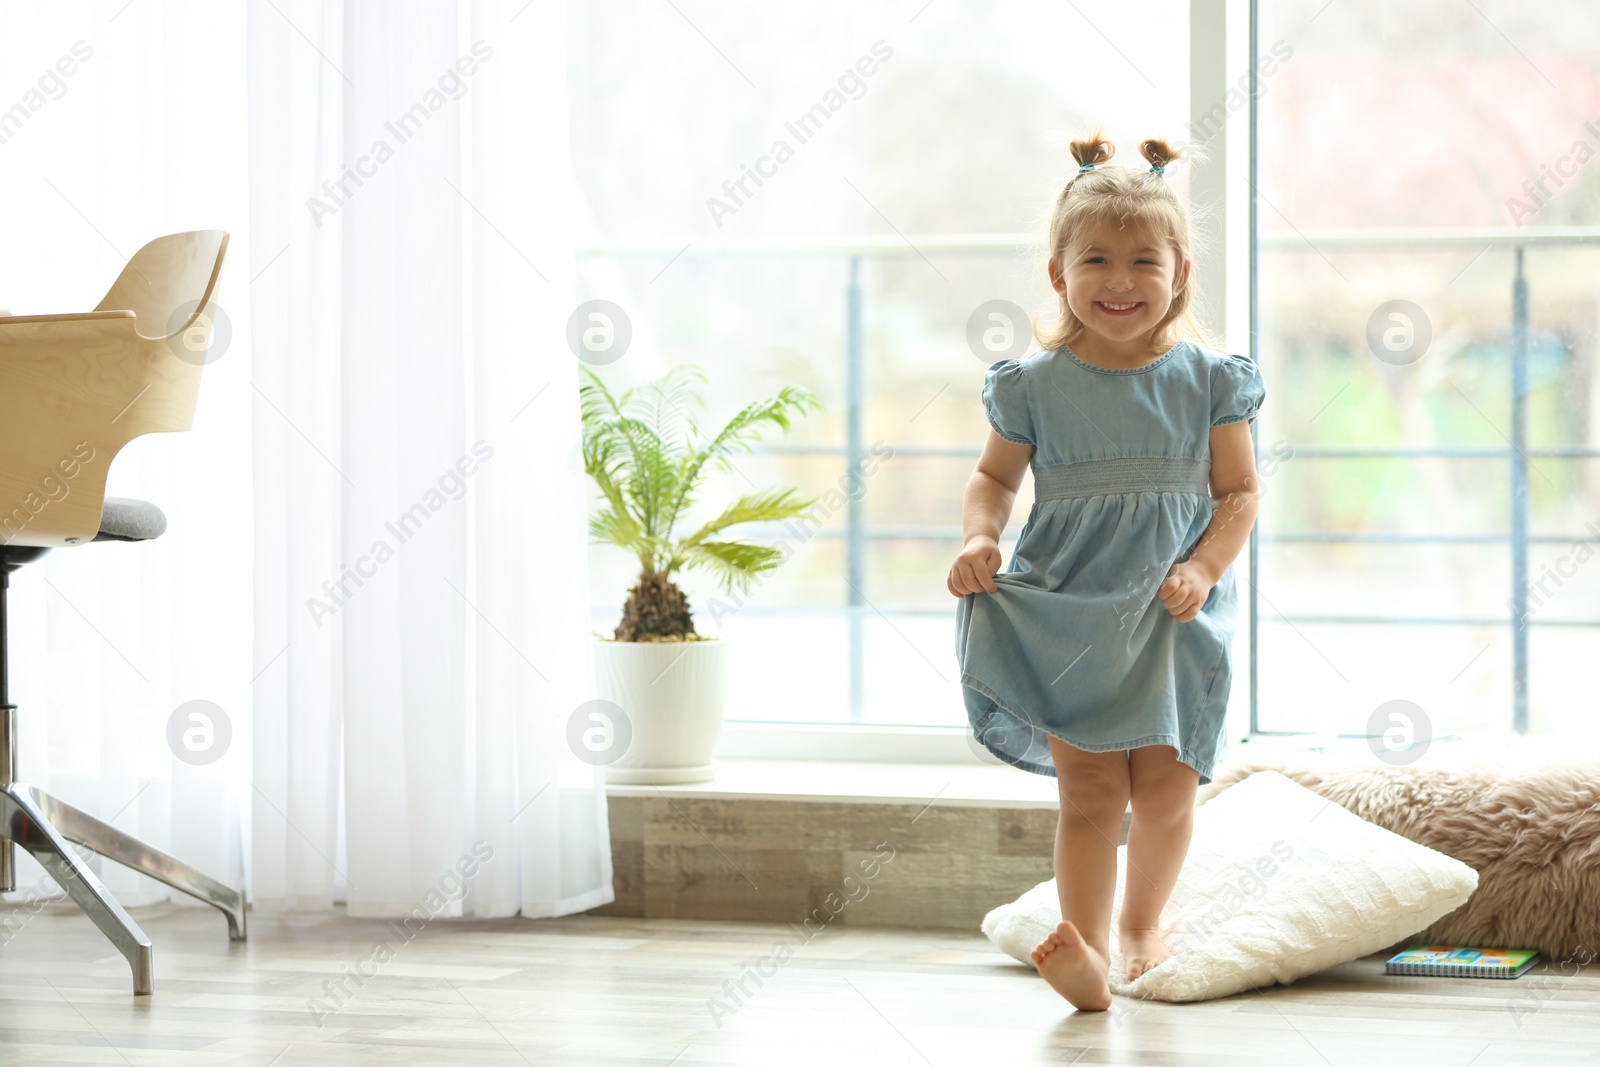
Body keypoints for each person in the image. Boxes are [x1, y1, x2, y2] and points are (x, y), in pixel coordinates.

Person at [948, 129, 1265, 1011]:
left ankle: (1140, 924)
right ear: (1058, 274)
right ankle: (1082, 948)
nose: (1120, 282)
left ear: (1181, 274)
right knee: (1089, 786)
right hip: (1071, 606)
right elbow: (991, 479)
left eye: (1142, 261)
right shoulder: (1034, 385)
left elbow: (1239, 492)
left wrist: (1203, 567)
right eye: (1096, 259)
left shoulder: (1210, 379)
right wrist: (982, 540)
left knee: (1165, 784)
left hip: (1173, 608)